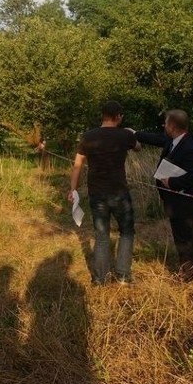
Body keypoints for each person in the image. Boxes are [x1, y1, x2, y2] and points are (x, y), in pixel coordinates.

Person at [69, 101, 140, 285]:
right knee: (127, 231)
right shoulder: (125, 135)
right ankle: (123, 275)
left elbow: (77, 165)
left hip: (97, 193)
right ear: (118, 116)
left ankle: (100, 279)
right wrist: (131, 132)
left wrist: (73, 189)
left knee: (101, 235)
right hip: (119, 193)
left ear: (103, 115)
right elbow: (138, 147)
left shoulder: (88, 136)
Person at [135, 109, 193, 280]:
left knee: (185, 237)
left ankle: (188, 272)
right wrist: (135, 134)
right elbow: (156, 139)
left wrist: (172, 182)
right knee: (192, 234)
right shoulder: (174, 140)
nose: (163, 125)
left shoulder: (190, 146)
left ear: (173, 126)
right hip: (176, 200)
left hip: (185, 200)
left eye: (166, 122)